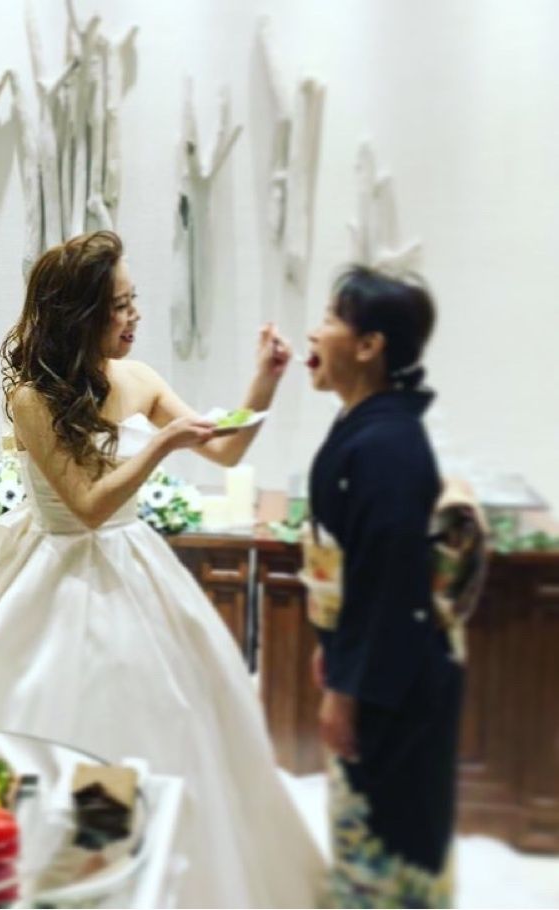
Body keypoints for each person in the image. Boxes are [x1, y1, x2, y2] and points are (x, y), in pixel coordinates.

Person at [0, 231, 325, 907]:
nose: (133, 317)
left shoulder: (139, 379)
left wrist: (264, 382)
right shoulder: (33, 398)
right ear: (79, 313)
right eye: (119, 305)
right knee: (48, 721)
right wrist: (161, 444)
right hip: (55, 572)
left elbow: (224, 450)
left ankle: (131, 869)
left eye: (133, 301)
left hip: (133, 567)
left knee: (155, 717)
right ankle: (56, 872)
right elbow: (86, 506)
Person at [304, 266, 460, 907]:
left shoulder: (386, 443)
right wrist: (331, 646)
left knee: (388, 842)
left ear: (370, 345)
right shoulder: (365, 425)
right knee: (365, 836)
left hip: (391, 681)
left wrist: (347, 692)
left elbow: (388, 581)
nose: (314, 332)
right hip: (374, 661)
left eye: (330, 319)